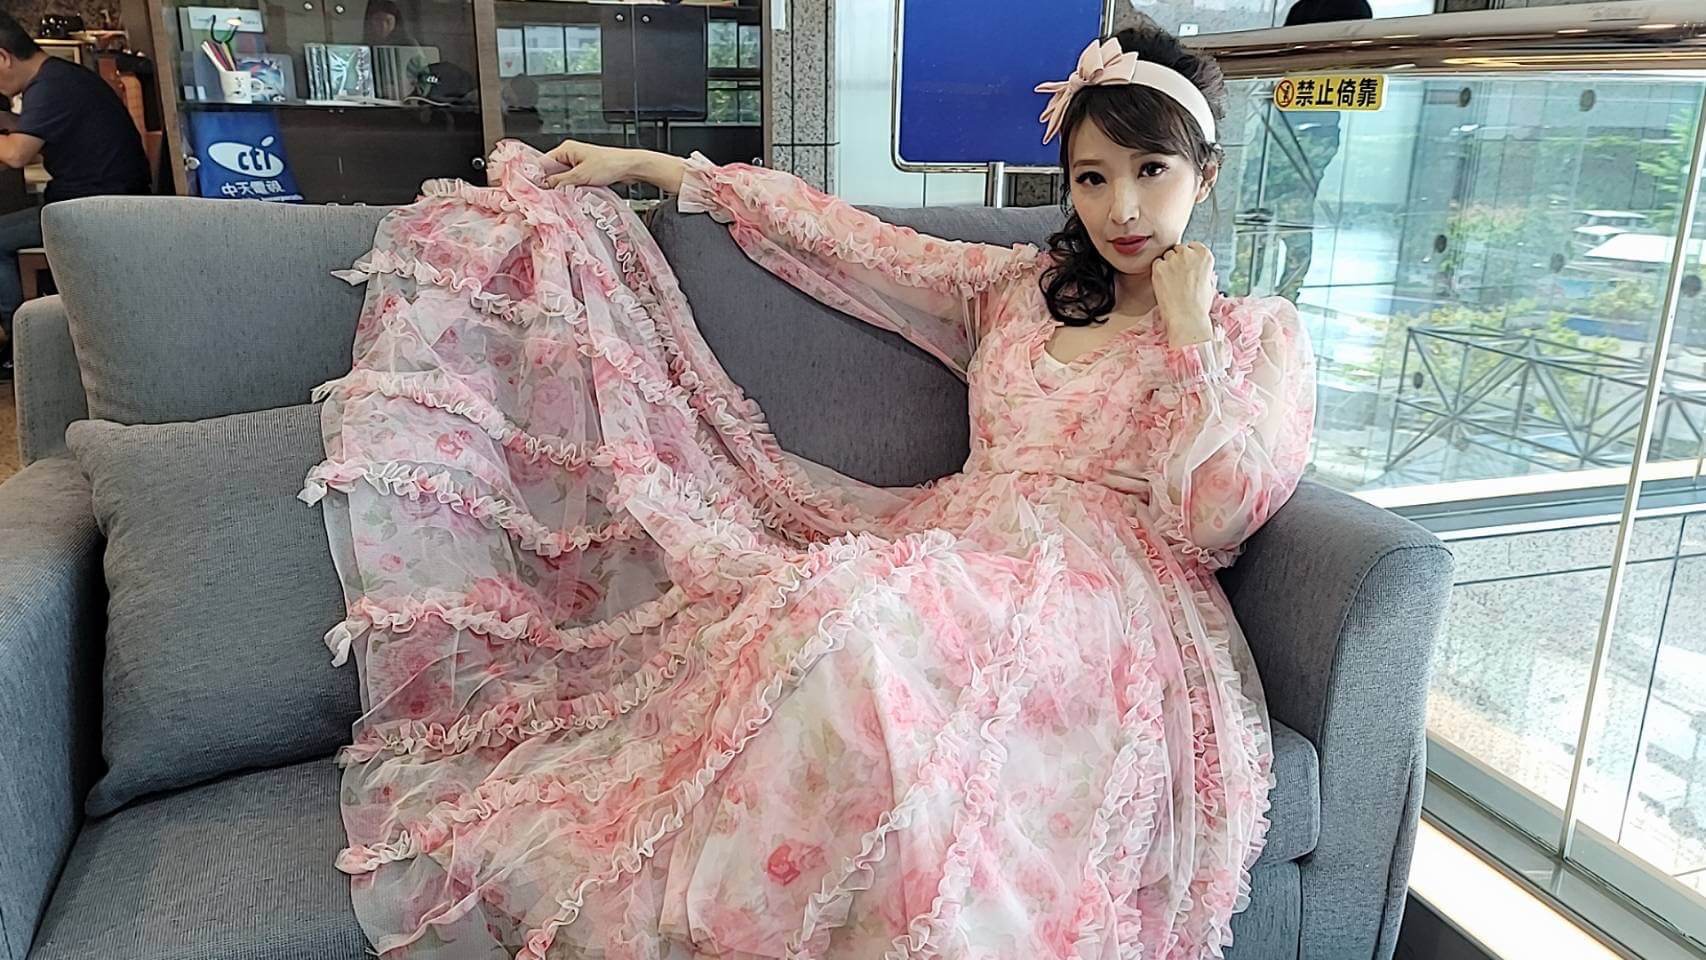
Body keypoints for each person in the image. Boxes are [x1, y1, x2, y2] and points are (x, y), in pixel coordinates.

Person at [310, 21, 1314, 958]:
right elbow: (842, 234)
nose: (1122, 208)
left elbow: (1215, 517)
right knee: (821, 615)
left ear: (1204, 173)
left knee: (856, 629)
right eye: (1093, 178)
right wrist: (656, 168)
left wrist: (1189, 333)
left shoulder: (1251, 332)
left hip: (1102, 598)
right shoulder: (1017, 288)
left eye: (1150, 171)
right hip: (963, 550)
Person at [0, 11, 149, 378]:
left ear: (2, 58)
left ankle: (19, 347)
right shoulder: (60, 78)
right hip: (104, 199)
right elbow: (31, 134)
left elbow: (18, 154)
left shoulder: (49, 87)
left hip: (92, 210)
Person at [1242, 0, 1373, 301]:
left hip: (1306, 130)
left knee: (1282, 217)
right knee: (1263, 217)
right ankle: (1255, 300)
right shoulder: (1314, 8)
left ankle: (1278, 300)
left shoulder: (1342, 7)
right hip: (1287, 124)